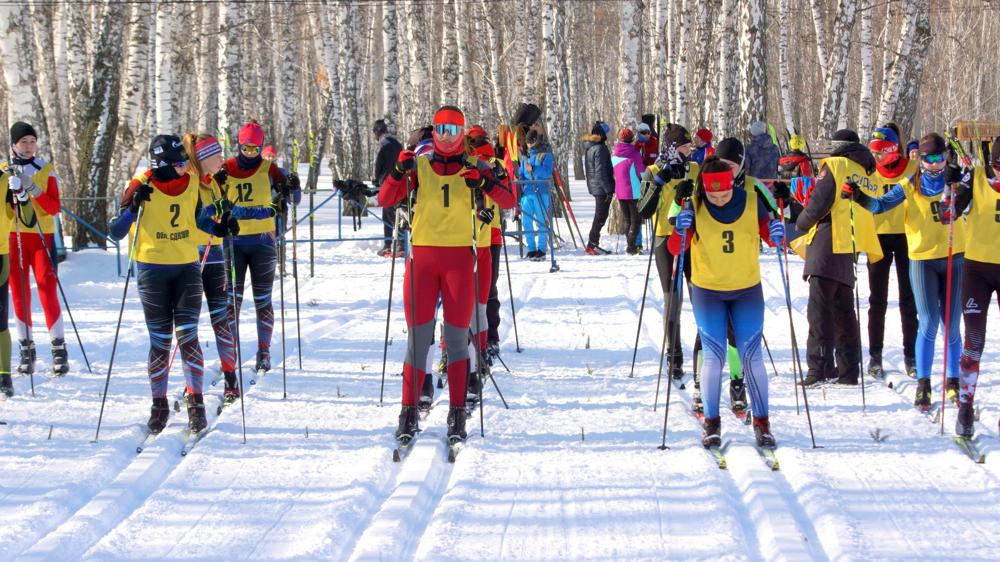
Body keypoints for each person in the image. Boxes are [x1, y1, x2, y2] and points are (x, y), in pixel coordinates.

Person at [378, 105, 508, 445]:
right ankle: (408, 411)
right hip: (422, 261)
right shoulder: (419, 166)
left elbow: (509, 199)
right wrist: (396, 171)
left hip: (459, 265)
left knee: (455, 341)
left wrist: (484, 181)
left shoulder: (474, 166)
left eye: (453, 129)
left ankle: (457, 412)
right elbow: (385, 198)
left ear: (462, 133)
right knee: (417, 341)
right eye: (440, 128)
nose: (446, 136)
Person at [109, 135, 231, 434]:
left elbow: (199, 219)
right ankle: (159, 404)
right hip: (152, 270)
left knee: (188, 337)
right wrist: (132, 209)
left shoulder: (190, 182)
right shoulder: (142, 183)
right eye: (178, 163)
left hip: (186, 267)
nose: (183, 168)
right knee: (160, 342)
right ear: (160, 164)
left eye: (184, 162)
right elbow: (115, 232)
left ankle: (196, 404)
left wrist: (220, 227)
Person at [669, 157, 782, 448]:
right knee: (714, 355)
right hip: (709, 292)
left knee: (751, 355)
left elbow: (772, 236)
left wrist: (779, 233)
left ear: (733, 184)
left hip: (746, 289)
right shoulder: (694, 206)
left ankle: (762, 422)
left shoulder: (752, 201)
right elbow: (674, 248)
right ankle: (711, 422)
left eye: (725, 193)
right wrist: (679, 229)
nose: (719, 199)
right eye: (713, 195)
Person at [849, 133, 966, 410]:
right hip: (922, 260)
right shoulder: (909, 183)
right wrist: (858, 197)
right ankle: (923, 384)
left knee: (951, 326)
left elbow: (969, 201)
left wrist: (960, 182)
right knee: (928, 323)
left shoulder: (956, 181)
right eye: (929, 159)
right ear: (921, 160)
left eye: (940, 158)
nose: (936, 165)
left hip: (954, 257)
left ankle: (953, 381)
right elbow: (880, 205)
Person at [794, 129, 882, 387]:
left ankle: (818, 368)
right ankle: (848, 370)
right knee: (844, 311)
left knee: (819, 311)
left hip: (827, 241)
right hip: (851, 243)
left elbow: (819, 203)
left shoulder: (834, 165)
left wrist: (800, 220)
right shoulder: (869, 172)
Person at [214, 120, 296, 376]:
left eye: (255, 149)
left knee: (263, 300)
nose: (250, 154)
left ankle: (264, 350)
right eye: (245, 148)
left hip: (262, 243)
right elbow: (210, 195)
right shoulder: (225, 169)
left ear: (261, 147)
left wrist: (292, 186)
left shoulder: (270, 169)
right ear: (238, 145)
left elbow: (295, 197)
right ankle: (230, 352)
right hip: (233, 244)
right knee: (232, 301)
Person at [182, 134, 255, 403]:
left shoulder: (213, 183)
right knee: (188, 325)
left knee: (221, 319)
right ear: (203, 158)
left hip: (214, 258)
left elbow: (218, 214)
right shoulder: (189, 182)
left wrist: (228, 218)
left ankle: (230, 378)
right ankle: (193, 384)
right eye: (216, 155)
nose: (222, 159)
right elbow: (197, 218)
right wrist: (216, 222)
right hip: (190, 257)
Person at [7, 122, 67, 377]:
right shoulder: (4, 170)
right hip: (14, 236)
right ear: (13, 145)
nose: (29, 147)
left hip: (42, 236)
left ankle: (58, 348)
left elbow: (54, 208)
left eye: (32, 141)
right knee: (19, 293)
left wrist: (32, 189)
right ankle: (26, 347)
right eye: (24, 142)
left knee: (47, 288)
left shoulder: (46, 170)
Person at [953, 138, 1000, 437]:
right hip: (977, 270)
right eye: (998, 168)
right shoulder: (977, 177)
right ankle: (965, 408)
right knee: (973, 343)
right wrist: (950, 187)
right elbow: (949, 213)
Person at [866, 125, 918, 378]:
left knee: (909, 299)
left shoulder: (912, 169)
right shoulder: (869, 171)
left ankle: (911, 354)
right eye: (873, 153)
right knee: (878, 300)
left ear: (893, 150)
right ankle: (875, 355)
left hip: (908, 237)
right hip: (878, 238)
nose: (875, 158)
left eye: (880, 153)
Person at [649, 125, 698, 379]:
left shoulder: (694, 169)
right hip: (664, 240)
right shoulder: (655, 170)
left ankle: (703, 353)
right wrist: (659, 182)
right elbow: (643, 209)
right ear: (671, 147)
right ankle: (674, 353)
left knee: (699, 296)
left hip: (692, 239)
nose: (689, 151)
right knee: (673, 299)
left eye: (690, 147)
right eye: (684, 147)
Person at [0, 166, 30, 397]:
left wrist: (21, 194)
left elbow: (28, 219)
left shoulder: (4, 180)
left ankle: (3, 376)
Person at [518, 129, 554, 261]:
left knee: (541, 221)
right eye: (527, 142)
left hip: (541, 191)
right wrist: (520, 180)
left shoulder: (546, 155)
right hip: (527, 193)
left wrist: (533, 169)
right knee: (526, 221)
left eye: (531, 142)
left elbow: (547, 173)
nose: (529, 144)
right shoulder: (525, 156)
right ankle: (531, 249)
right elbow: (521, 172)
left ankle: (541, 249)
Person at [612, 128, 646, 255]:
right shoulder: (634, 154)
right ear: (632, 139)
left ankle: (630, 244)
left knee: (627, 220)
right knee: (635, 220)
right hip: (634, 190)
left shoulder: (615, 154)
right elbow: (641, 172)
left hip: (620, 191)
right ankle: (631, 247)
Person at [582, 121, 614, 255]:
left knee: (600, 215)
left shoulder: (592, 147)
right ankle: (592, 244)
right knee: (600, 216)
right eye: (605, 133)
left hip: (596, 186)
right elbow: (601, 172)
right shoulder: (600, 148)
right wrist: (608, 189)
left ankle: (593, 243)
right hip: (601, 187)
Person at [373, 119, 404, 257]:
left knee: (390, 215)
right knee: (397, 213)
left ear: (377, 132)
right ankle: (393, 244)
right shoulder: (397, 143)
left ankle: (395, 245)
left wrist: (376, 178)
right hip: (400, 182)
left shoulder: (382, 144)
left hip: (387, 183)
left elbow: (378, 162)